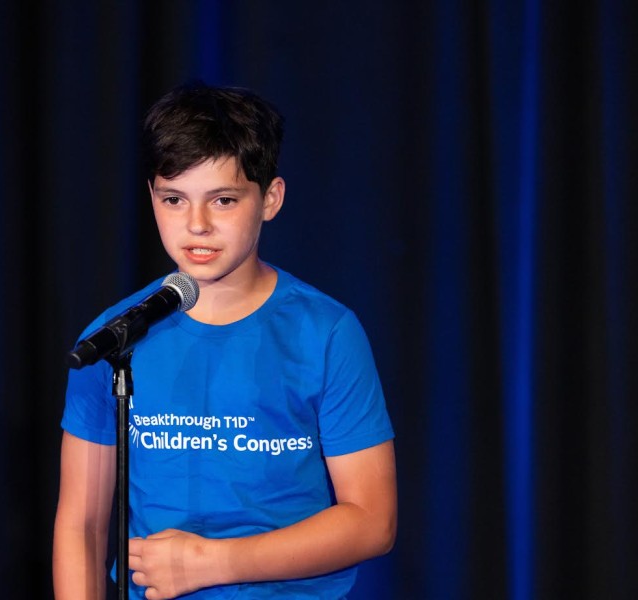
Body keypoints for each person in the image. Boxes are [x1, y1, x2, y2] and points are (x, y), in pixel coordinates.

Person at [53, 83, 397, 600]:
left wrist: (212, 563)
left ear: (270, 199)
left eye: (223, 200)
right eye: (174, 199)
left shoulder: (325, 333)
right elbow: (81, 524)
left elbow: (372, 520)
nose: (197, 225)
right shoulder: (113, 338)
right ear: (152, 197)